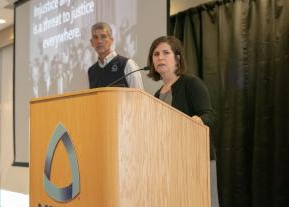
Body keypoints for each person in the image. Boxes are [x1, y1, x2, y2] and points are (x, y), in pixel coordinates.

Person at [147, 36, 218, 207]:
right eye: (156, 54)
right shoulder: (157, 94)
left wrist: (197, 120)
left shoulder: (191, 83)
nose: (160, 58)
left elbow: (209, 115)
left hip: (195, 160)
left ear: (177, 58)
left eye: (166, 53)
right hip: (169, 162)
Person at [88, 22, 144, 89]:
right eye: (95, 37)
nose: (99, 41)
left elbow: (138, 97)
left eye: (103, 37)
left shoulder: (127, 64)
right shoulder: (91, 71)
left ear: (111, 40)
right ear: (91, 42)